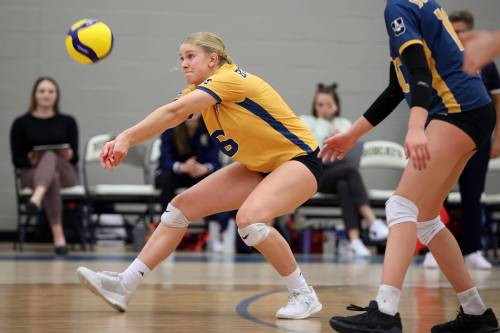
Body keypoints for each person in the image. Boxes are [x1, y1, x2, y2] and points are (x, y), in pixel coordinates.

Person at [76, 32, 323, 319]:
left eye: (190, 56)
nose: (183, 64)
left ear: (213, 59)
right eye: (181, 58)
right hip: (260, 166)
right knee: (180, 209)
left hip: (300, 161)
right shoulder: (200, 92)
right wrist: (127, 139)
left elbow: (175, 110)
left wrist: (126, 138)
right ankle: (124, 284)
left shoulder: (229, 79)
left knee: (249, 221)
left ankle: (304, 294)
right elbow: (170, 118)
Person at [325, 1, 499, 332]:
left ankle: (386, 313)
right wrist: (351, 135)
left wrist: (416, 126)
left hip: (455, 110)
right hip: (472, 111)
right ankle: (476, 313)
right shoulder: (418, 5)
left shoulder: (398, 7)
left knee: (400, 205)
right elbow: (397, 87)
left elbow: (420, 72)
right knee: (425, 219)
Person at [423, 10, 500, 270]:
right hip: (441, 132)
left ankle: (472, 249)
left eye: (462, 30)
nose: (458, 35)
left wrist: (498, 136)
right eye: (452, 30)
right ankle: (434, 249)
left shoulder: (486, 62)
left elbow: (497, 101)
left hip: (476, 134)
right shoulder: (438, 58)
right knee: (435, 193)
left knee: (472, 193)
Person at [301, 83, 388, 257]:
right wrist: (326, 136)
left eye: (328, 104)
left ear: (336, 106)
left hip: (339, 173)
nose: (324, 108)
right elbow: (311, 150)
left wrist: (338, 134)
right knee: (350, 172)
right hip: (316, 174)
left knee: (344, 185)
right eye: (320, 105)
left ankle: (354, 240)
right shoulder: (307, 121)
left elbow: (351, 151)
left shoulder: (344, 124)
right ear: (314, 105)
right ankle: (372, 222)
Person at [9, 77, 79, 255]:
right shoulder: (21, 123)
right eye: (42, 91)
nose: (46, 95)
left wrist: (69, 155)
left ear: (57, 95)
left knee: (50, 156)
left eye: (50, 91)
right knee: (51, 176)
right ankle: (59, 238)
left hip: (66, 173)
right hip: (31, 174)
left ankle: (36, 198)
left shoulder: (68, 121)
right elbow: (17, 159)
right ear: (34, 94)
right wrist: (31, 160)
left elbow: (75, 156)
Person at [154, 112, 232, 252]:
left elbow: (215, 160)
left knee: (212, 183)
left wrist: (204, 168)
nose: (193, 113)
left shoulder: (209, 128)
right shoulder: (170, 128)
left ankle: (215, 234)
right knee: (166, 179)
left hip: (199, 173)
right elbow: (165, 159)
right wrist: (181, 167)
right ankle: (164, 232)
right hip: (175, 173)